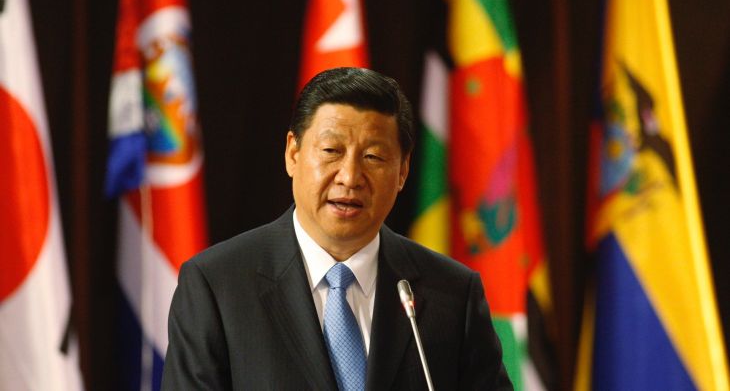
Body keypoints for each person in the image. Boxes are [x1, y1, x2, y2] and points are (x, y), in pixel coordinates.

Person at [161, 67, 512, 390]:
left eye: (373, 157)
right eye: (331, 150)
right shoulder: (217, 286)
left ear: (402, 171)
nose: (350, 177)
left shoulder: (452, 293)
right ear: (293, 154)